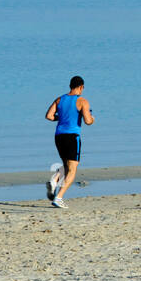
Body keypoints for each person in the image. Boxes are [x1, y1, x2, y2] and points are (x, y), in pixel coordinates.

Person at [44, 75, 94, 208]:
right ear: (81, 87)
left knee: (66, 165)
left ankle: (54, 180)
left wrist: (61, 119)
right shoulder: (82, 101)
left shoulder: (59, 99)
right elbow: (88, 121)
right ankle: (59, 198)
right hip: (72, 137)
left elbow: (49, 116)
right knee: (72, 169)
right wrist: (92, 118)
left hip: (59, 136)